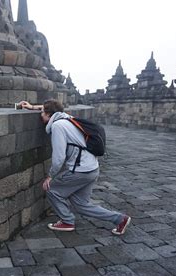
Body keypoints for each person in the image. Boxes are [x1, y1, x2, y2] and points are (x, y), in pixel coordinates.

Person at [18, 99, 131, 235]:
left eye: (42, 112)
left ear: (48, 114)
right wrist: (31, 107)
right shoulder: (67, 118)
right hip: (92, 168)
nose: (40, 115)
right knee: (82, 205)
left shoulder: (58, 126)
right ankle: (120, 219)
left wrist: (50, 176)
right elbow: (50, 108)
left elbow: (59, 157)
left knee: (52, 189)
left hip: (80, 170)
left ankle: (67, 221)